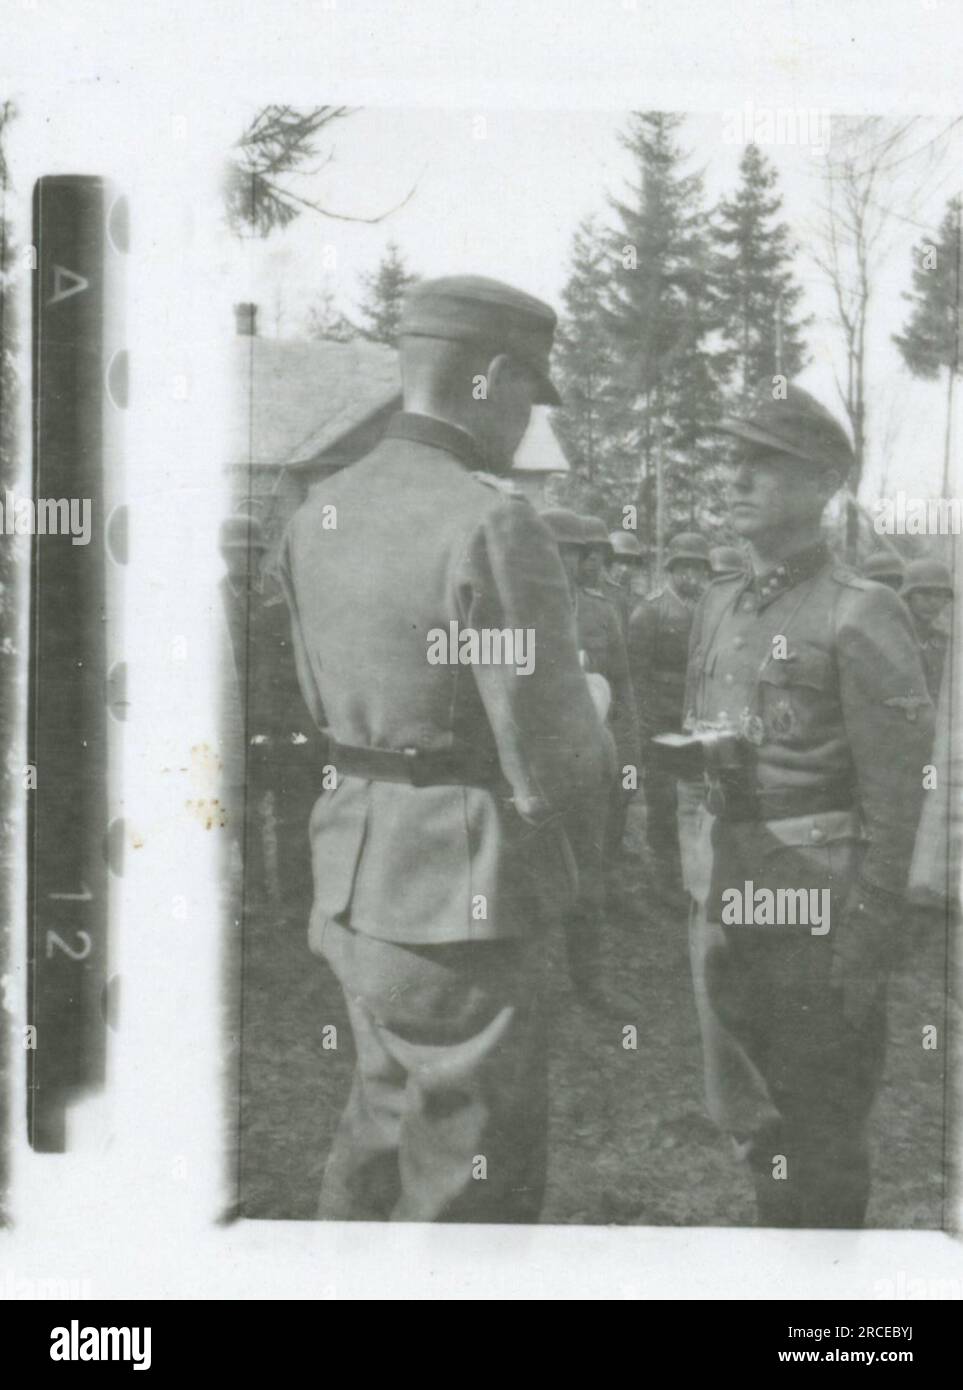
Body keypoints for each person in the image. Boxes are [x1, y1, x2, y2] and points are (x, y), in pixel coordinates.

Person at [279, 275, 612, 1222]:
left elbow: (323, 705)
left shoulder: (319, 513)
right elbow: (553, 764)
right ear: (493, 377)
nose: (526, 421)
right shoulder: (492, 520)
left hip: (352, 879)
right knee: (470, 1173)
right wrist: (590, 705)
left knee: (379, 1130)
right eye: (528, 395)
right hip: (465, 899)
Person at [684, 381, 934, 1228]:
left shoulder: (860, 610)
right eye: (732, 457)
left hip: (816, 900)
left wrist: (869, 929)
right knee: (752, 1116)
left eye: (766, 462)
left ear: (824, 482)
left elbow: (901, 791)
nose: (737, 476)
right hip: (728, 885)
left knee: (818, 1121)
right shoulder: (719, 601)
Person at [627, 531, 711, 896]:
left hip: (694, 722)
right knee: (662, 802)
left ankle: (691, 875)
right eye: (685, 569)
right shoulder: (650, 611)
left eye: (697, 569)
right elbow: (636, 676)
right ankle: (662, 881)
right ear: (672, 570)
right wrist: (644, 727)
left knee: (694, 800)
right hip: (660, 723)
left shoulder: (706, 609)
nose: (691, 577)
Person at [900, 557, 953, 702]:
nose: (933, 602)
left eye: (941, 595)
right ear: (907, 596)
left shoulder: (947, 643)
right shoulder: (893, 637)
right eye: (925, 593)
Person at [604, 528, 644, 636]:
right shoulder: (599, 599)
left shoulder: (641, 602)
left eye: (629, 563)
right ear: (608, 563)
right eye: (620, 562)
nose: (625, 569)